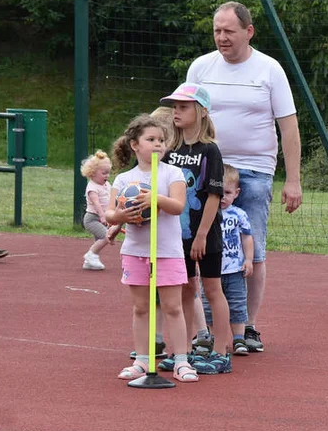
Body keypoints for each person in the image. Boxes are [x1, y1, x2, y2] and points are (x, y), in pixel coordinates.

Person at [185, 1, 303, 353]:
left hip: (253, 171)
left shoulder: (269, 69)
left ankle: (247, 326)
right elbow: (183, 115)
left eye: (229, 32)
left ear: (248, 32)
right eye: (217, 31)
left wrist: (292, 179)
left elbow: (289, 126)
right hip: (206, 168)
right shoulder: (201, 67)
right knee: (197, 245)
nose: (222, 38)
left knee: (251, 248)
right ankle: (202, 328)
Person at [106, 114, 197, 383]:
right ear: (135, 145)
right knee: (141, 308)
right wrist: (122, 217)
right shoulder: (124, 179)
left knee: (173, 307)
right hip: (136, 251)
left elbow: (178, 206)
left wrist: (155, 198)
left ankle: (181, 360)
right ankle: (142, 361)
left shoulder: (173, 173)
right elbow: (111, 213)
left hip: (167, 251)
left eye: (161, 140)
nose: (158, 144)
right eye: (151, 139)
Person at [159, 83, 233, 376]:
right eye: (174, 107)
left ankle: (221, 352)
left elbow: (214, 195)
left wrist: (202, 234)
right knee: (186, 289)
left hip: (205, 234)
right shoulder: (171, 150)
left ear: (201, 111)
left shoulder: (210, 150)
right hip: (177, 235)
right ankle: (183, 351)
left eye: (183, 107)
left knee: (212, 289)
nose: (176, 112)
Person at [203, 164, 254, 357]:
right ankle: (216, 338)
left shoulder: (239, 215)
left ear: (236, 193)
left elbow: (247, 237)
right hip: (212, 269)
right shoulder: (207, 214)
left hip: (234, 269)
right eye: (218, 192)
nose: (222, 197)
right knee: (209, 306)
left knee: (237, 304)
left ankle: (239, 338)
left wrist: (249, 259)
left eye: (227, 192)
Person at [80, 150, 116, 271]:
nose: (107, 176)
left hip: (102, 218)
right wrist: (103, 216)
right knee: (107, 237)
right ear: (92, 173)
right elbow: (97, 204)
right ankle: (90, 255)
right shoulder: (92, 188)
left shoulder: (106, 185)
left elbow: (111, 199)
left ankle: (88, 262)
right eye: (104, 173)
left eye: (108, 173)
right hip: (92, 218)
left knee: (99, 240)